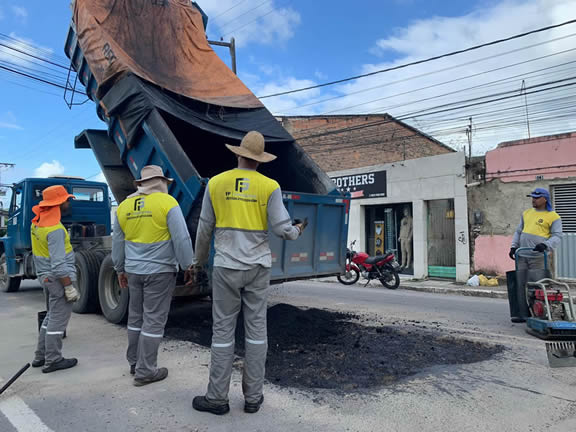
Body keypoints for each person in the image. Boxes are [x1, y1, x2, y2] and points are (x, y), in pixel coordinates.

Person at [191, 131, 307, 415]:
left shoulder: (216, 183)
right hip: (257, 268)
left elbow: (204, 228)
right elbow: (283, 230)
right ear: (261, 160)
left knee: (222, 332)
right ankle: (253, 398)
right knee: (256, 332)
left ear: (238, 154)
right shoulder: (269, 186)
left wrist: (199, 262)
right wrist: (298, 229)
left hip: (226, 267)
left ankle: (217, 399)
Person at [112, 165, 194, 386]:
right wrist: (188, 265)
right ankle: (146, 370)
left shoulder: (124, 206)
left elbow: (118, 243)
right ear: (161, 183)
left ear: (141, 184)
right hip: (160, 271)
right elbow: (182, 238)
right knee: (154, 320)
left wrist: (119, 269)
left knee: (135, 318)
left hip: (133, 271)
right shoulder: (167, 203)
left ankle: (134, 362)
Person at [31, 185, 80, 373]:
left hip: (46, 277)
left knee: (50, 317)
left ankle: (40, 355)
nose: (68, 203)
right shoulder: (55, 229)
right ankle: (53, 359)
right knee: (58, 321)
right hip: (58, 280)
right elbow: (59, 265)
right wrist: (68, 287)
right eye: (66, 200)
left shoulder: (37, 223)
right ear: (58, 203)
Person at [509, 188, 562, 323]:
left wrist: (546, 245)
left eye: (536, 198)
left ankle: (540, 313)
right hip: (522, 255)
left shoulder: (553, 216)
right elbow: (518, 231)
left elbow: (557, 236)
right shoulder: (526, 213)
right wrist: (513, 246)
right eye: (532, 197)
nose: (533, 200)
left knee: (538, 285)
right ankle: (522, 314)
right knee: (521, 285)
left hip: (539, 257)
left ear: (545, 199)